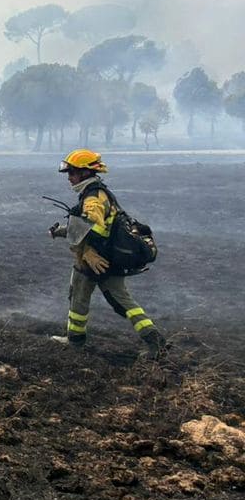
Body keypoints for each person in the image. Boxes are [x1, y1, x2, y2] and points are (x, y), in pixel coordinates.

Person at [49, 149, 167, 358]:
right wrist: (61, 231)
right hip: (109, 259)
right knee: (116, 301)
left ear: (85, 173)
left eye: (73, 172)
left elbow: (91, 227)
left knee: (84, 298)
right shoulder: (98, 192)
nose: (69, 177)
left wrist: (86, 252)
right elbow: (84, 226)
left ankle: (76, 342)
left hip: (96, 260)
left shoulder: (92, 199)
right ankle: (154, 341)